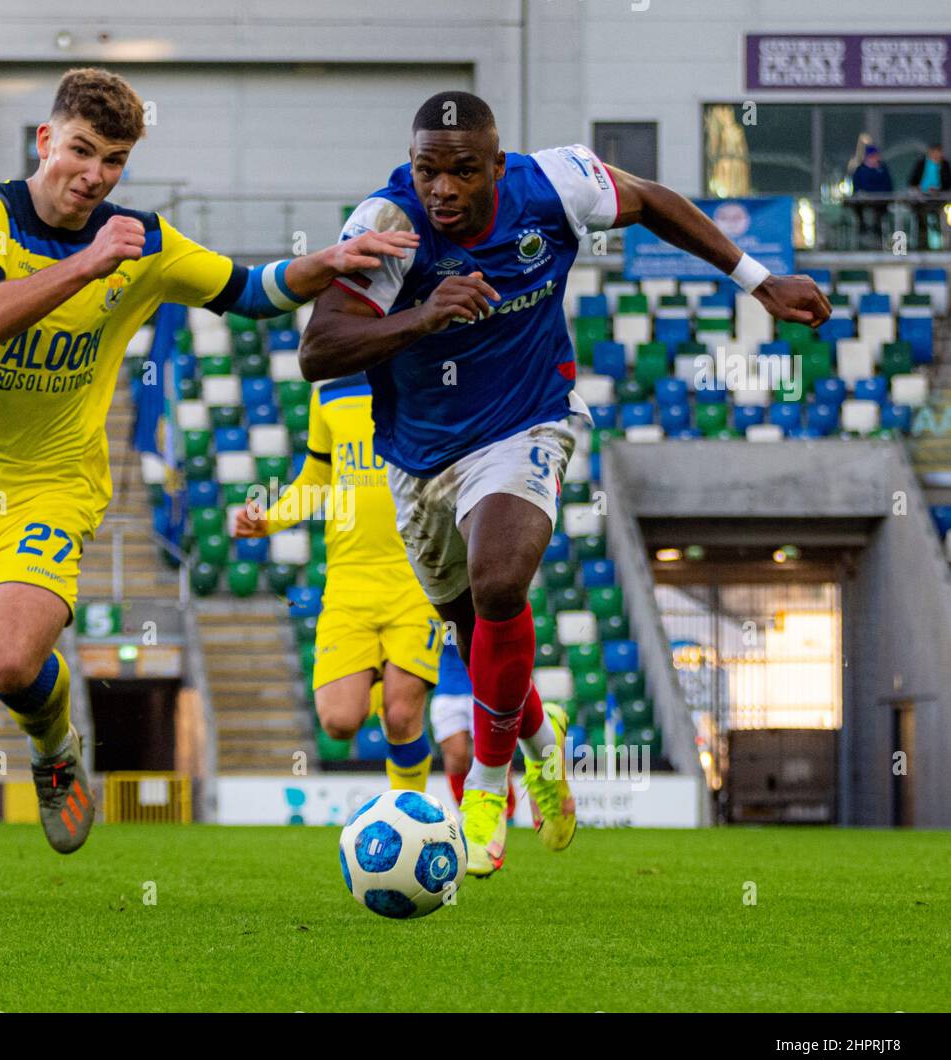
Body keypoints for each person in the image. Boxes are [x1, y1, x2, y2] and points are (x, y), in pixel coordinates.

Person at [0, 67, 416, 903]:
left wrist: (330, 262)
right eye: (82, 151)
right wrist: (92, 264)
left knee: (10, 656)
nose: (94, 174)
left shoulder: (143, 240)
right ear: (45, 141)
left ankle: (57, 749)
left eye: (115, 160)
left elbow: (250, 289)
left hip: (52, 483)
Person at [298, 90, 830, 877]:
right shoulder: (386, 225)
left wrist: (755, 280)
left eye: (462, 171)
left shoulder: (555, 185)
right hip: (417, 456)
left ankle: (487, 784)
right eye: (427, 170)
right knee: (474, 637)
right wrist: (423, 317)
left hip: (526, 423)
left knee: (500, 583)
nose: (442, 188)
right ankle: (540, 745)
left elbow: (650, 200)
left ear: (497, 165)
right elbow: (320, 350)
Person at [231, 372, 442, 791]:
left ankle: (405, 816)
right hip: (348, 584)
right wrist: (268, 520)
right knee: (339, 721)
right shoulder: (329, 389)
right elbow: (315, 479)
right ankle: (385, 678)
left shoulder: (423, 371)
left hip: (415, 577)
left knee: (401, 717)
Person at [430, 641, 517, 823]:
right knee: (456, 755)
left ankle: (506, 814)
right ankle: (469, 814)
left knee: (493, 754)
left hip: (486, 687)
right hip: (448, 690)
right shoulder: (439, 613)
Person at [907, 144, 950, 250]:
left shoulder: (945, 165)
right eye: (935, 153)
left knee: (943, 215)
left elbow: (948, 183)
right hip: (922, 200)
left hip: (939, 200)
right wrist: (919, 189)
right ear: (930, 153)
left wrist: (938, 190)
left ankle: (944, 243)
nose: (937, 156)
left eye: (939, 153)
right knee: (921, 214)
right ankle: (923, 243)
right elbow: (912, 181)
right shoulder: (921, 164)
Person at [851, 144, 893, 247]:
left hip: (880, 201)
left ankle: (877, 231)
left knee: (879, 209)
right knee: (857, 206)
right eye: (872, 156)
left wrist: (879, 194)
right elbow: (856, 187)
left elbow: (889, 186)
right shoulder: (860, 170)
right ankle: (863, 227)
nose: (874, 158)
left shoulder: (883, 169)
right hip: (864, 201)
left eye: (876, 156)